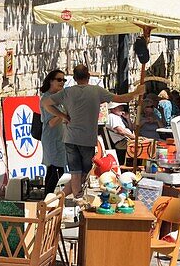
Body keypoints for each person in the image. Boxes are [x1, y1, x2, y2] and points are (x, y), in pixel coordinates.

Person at [44, 64, 142, 196]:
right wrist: (137, 92)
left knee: (75, 173)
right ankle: (74, 197)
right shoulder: (97, 91)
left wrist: (63, 116)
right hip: (87, 139)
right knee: (84, 172)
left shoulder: (67, 92)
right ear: (88, 77)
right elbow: (121, 99)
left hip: (71, 139)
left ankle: (60, 197)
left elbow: (46, 104)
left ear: (74, 77)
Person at [38, 69, 69, 197]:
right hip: (51, 138)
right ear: (51, 81)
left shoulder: (58, 98)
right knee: (58, 169)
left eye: (64, 80)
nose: (62, 82)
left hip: (59, 137)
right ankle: (48, 196)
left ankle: (47, 196)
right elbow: (51, 122)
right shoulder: (46, 99)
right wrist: (64, 115)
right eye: (59, 79)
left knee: (52, 169)